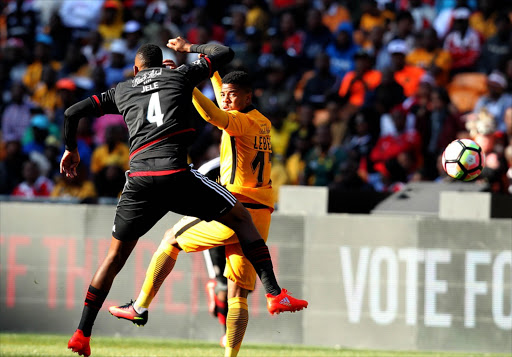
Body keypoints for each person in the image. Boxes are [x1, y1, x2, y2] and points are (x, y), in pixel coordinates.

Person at [61, 37, 307, 357]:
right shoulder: (255, 118)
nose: (227, 98)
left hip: (139, 181)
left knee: (118, 256)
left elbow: (72, 111)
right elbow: (222, 54)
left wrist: (71, 149)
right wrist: (190, 51)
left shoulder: (124, 88)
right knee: (239, 261)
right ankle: (273, 294)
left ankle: (84, 332)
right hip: (189, 180)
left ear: (136, 68)